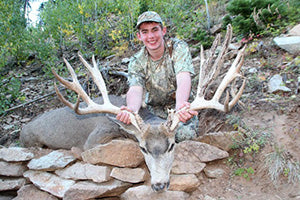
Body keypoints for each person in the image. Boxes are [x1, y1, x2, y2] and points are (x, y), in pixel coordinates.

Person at [116, 11, 198, 142]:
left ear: (163, 31)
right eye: (145, 32)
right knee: (147, 138)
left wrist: (181, 107)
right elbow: (136, 88)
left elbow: (183, 77)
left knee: (185, 136)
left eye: (155, 30)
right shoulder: (136, 61)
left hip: (181, 109)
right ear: (139, 36)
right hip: (153, 113)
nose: (151, 36)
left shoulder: (178, 48)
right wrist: (131, 110)